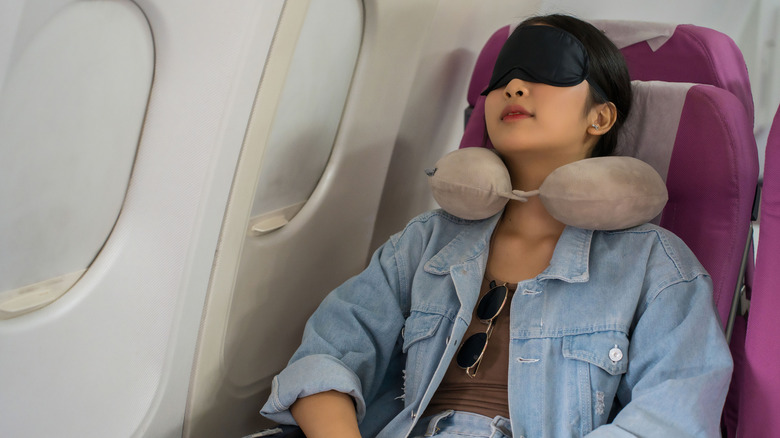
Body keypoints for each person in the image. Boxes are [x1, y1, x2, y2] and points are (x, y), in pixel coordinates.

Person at [260, 14, 733, 437]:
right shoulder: (425, 242)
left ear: (600, 116)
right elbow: (327, 356)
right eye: (503, 76)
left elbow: (671, 417)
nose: (515, 87)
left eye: (547, 70)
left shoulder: (656, 264)